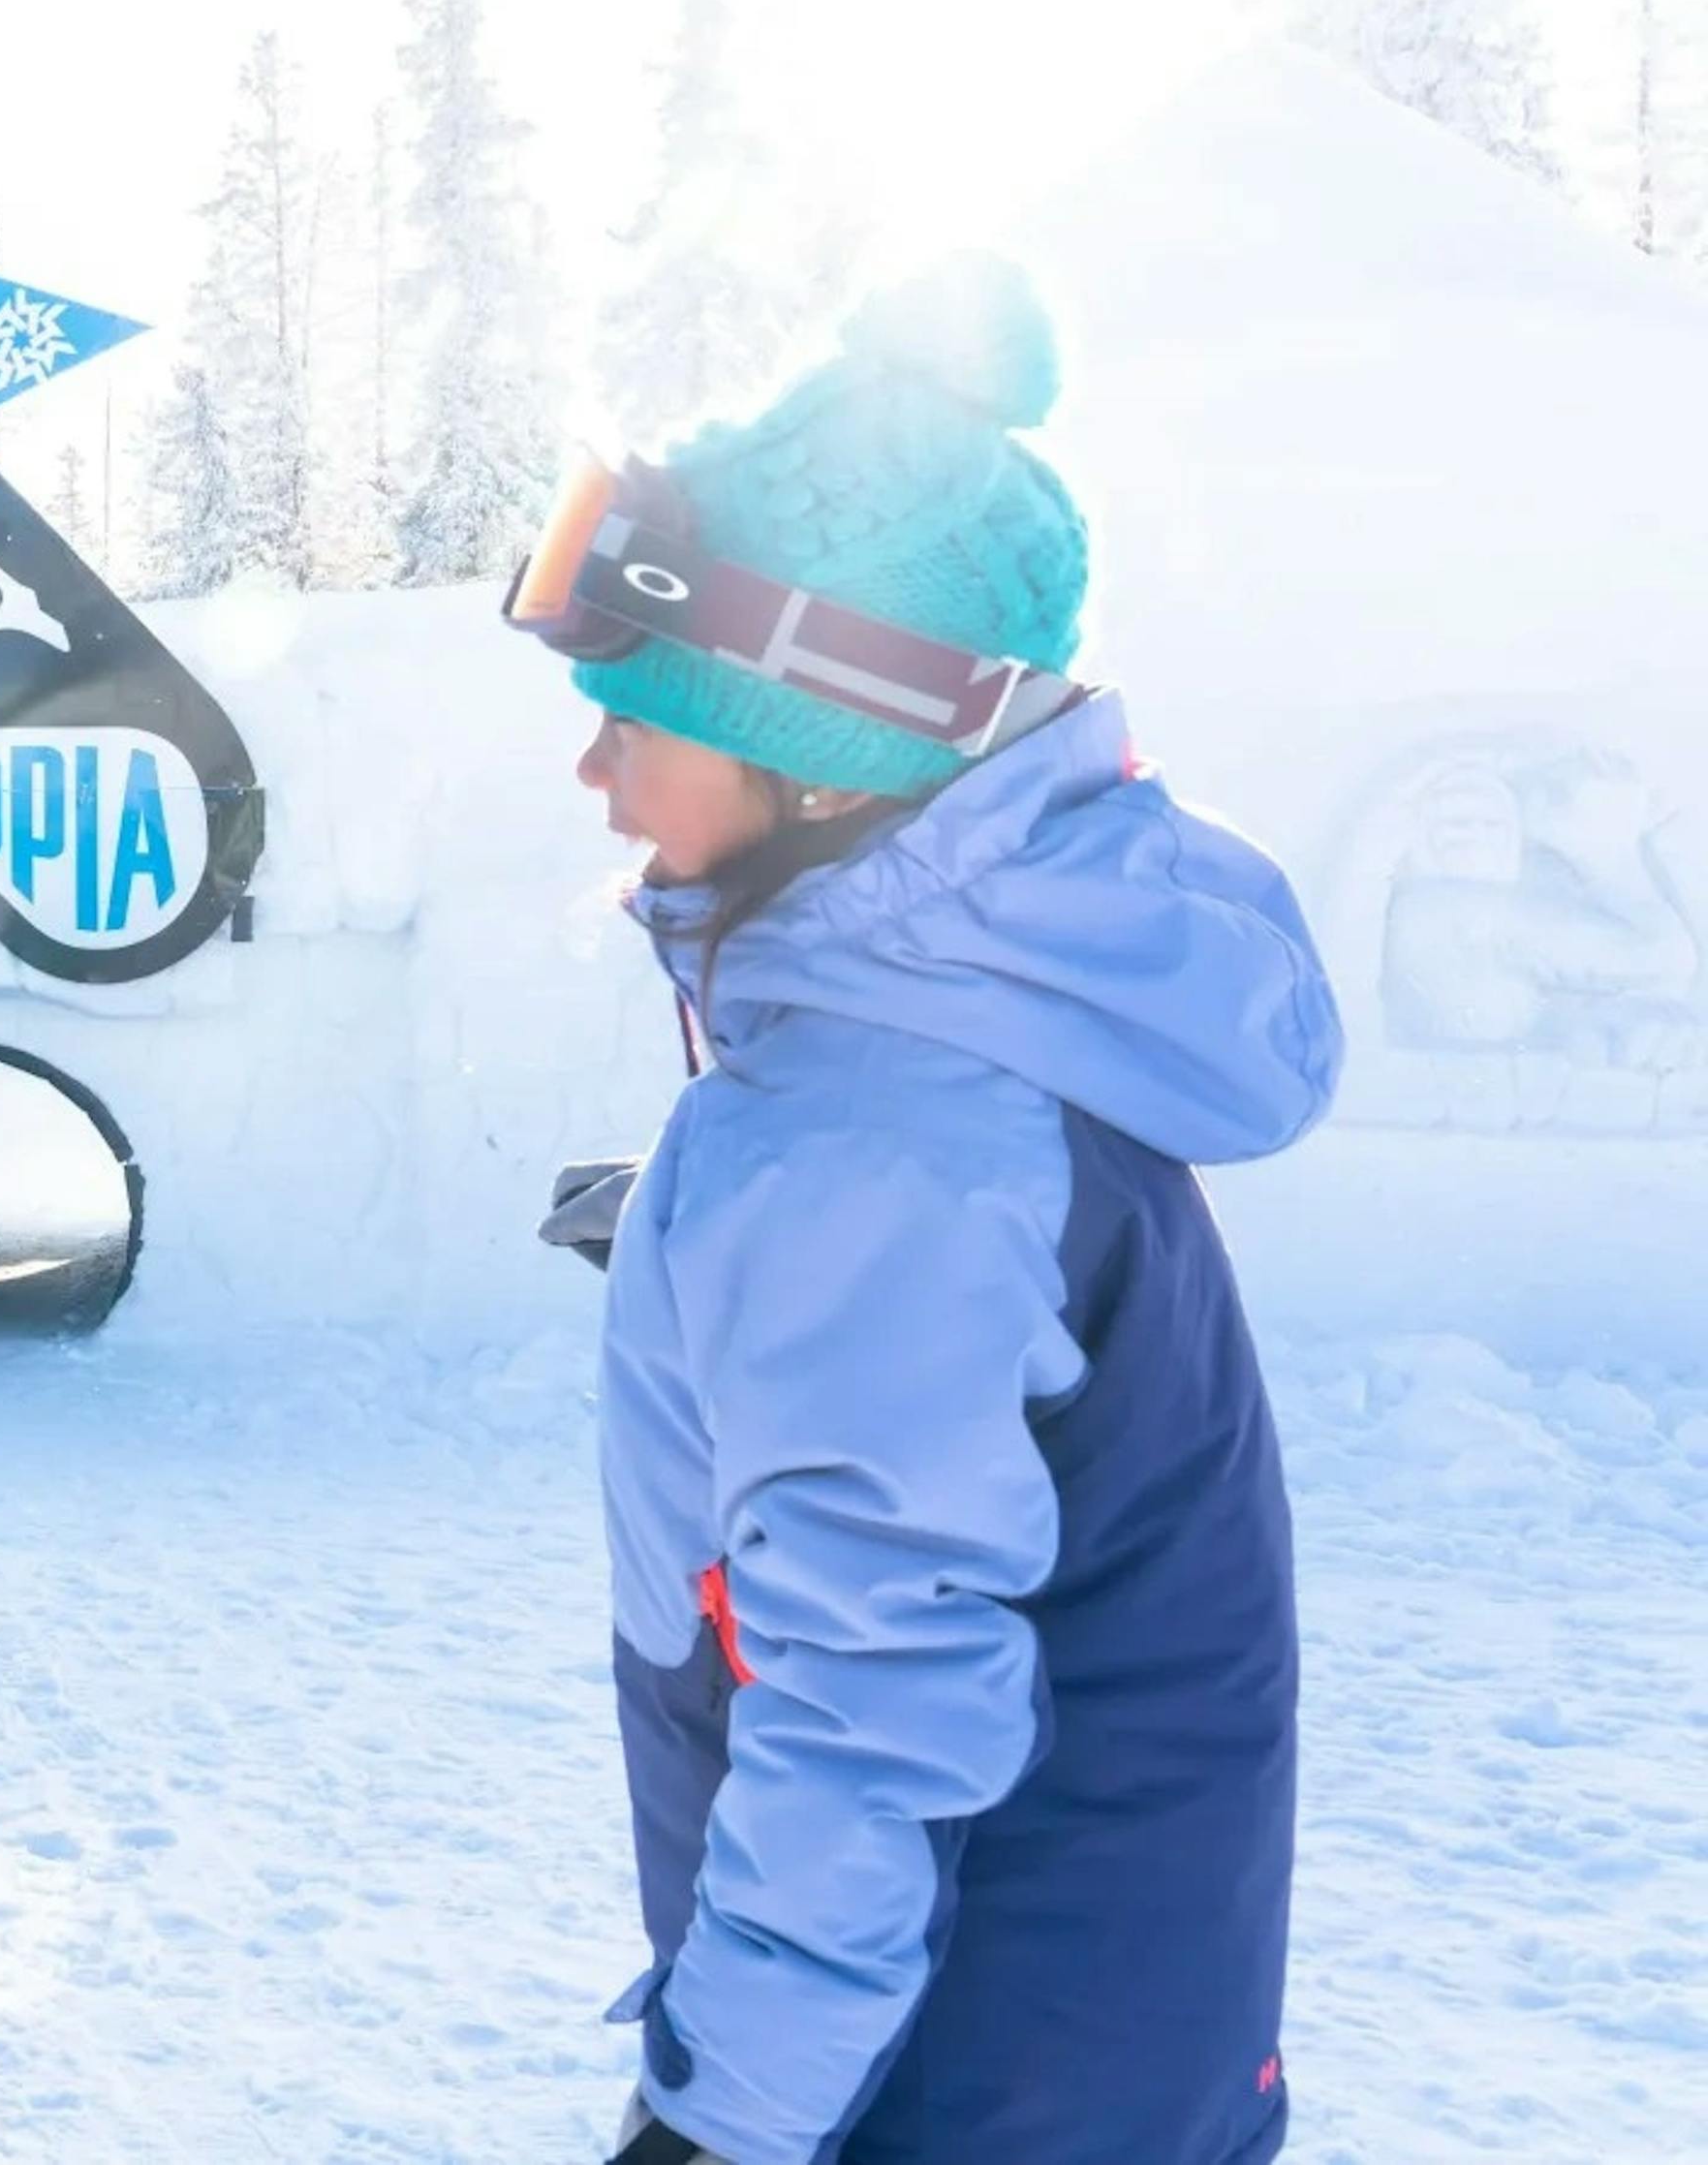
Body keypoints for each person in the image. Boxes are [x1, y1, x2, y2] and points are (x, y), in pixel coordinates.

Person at [502, 255, 1345, 2165]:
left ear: (817, 747)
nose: (592, 765)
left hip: (944, 2077)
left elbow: (873, 1722)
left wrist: (715, 2121)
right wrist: (691, 1242)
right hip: (1111, 2029)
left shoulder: (868, 1155)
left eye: (634, 716)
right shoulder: (967, 1055)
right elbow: (966, 1330)